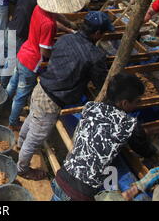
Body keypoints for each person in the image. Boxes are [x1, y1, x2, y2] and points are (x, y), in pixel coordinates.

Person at [17, 11, 115, 180]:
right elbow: (101, 83)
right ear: (98, 33)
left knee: (32, 119)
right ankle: (22, 169)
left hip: (41, 88)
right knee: (36, 137)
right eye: (103, 33)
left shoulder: (65, 39)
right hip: (51, 101)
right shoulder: (95, 55)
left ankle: (20, 144)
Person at [51, 72, 157, 201]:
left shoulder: (91, 106)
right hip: (80, 194)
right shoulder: (129, 125)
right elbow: (144, 150)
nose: (138, 105)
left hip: (61, 178)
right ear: (124, 103)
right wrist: (153, 147)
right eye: (137, 101)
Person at [6, 0, 81, 131]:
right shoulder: (49, 24)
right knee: (21, 94)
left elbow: (56, 17)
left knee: (13, 82)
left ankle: (3, 104)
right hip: (31, 61)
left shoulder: (39, 8)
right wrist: (60, 54)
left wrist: (68, 27)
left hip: (23, 51)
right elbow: (44, 51)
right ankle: (13, 121)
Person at [2, 0, 61, 87]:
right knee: (13, 63)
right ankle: (4, 87)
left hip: (12, 26)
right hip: (20, 33)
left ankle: (3, 84)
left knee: (9, 60)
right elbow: (51, 16)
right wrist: (68, 26)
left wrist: (68, 25)